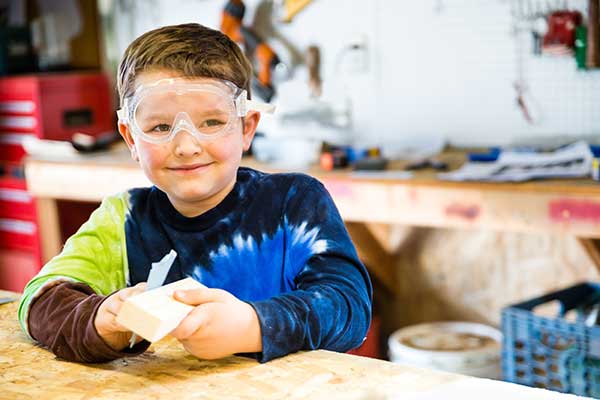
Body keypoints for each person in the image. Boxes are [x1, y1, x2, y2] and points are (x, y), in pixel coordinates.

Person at [17, 23, 372, 363]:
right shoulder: (122, 220)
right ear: (131, 138)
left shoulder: (295, 202)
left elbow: (349, 307)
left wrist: (253, 326)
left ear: (246, 128)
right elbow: (40, 299)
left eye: (212, 122)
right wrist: (98, 322)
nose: (186, 145)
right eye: (160, 126)